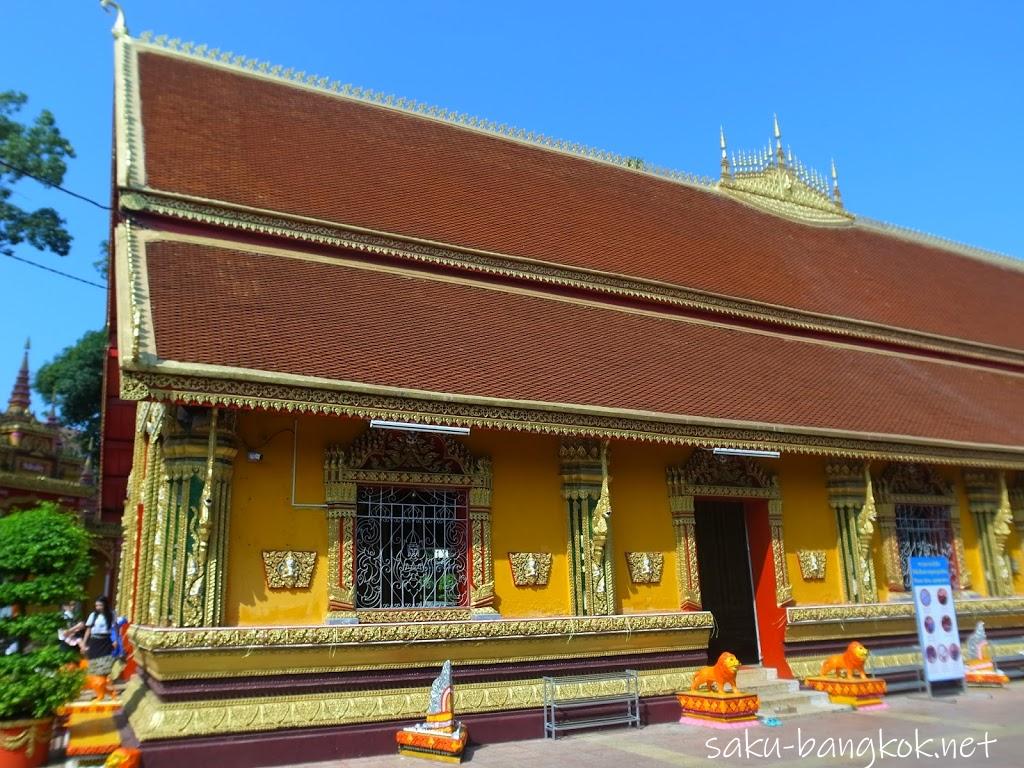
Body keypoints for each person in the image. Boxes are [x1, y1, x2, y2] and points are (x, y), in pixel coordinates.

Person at [82, 595, 116, 676]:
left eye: (100, 605)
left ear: (105, 605)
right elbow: (88, 629)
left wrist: (115, 640)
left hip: (106, 641)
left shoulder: (112, 614)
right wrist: (84, 643)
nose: (98, 607)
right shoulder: (93, 615)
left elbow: (115, 628)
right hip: (94, 641)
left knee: (105, 662)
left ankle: (102, 681)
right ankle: (94, 681)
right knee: (94, 661)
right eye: (96, 605)